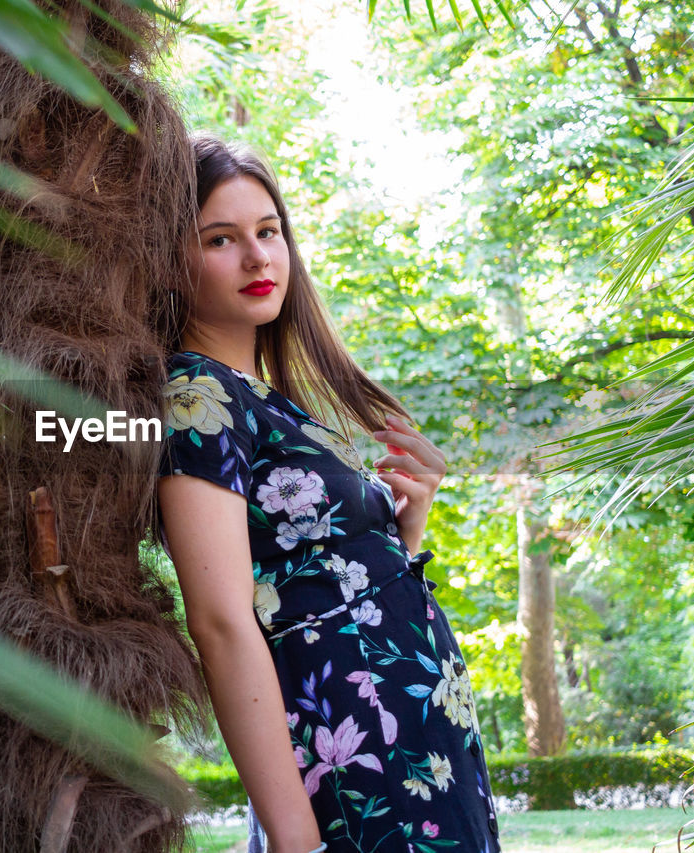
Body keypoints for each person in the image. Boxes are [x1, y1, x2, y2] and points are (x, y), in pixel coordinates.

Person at [155, 135, 502, 853]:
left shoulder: (264, 398)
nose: (258, 258)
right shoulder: (198, 395)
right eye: (221, 238)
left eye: (269, 231)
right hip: (358, 758)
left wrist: (405, 520)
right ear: (169, 259)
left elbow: (320, 590)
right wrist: (294, 839)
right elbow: (221, 622)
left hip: (410, 744)